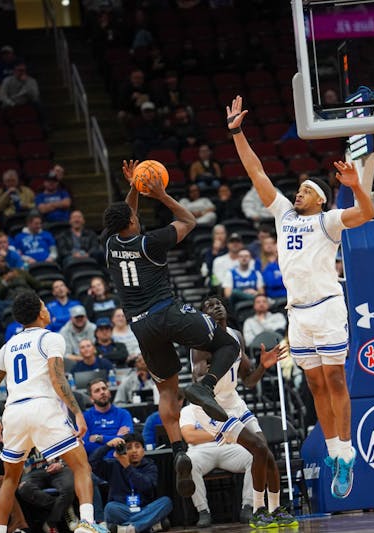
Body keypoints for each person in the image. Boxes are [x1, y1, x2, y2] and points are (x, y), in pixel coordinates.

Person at [227, 95, 374, 499]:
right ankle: (334, 453)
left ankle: (346, 452)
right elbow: (256, 172)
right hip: (298, 313)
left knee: (334, 380)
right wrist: (237, 132)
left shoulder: (328, 221)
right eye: (297, 190)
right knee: (314, 387)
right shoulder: (284, 215)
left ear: (320, 199)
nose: (298, 194)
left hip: (328, 307)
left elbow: (367, 214)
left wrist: (356, 187)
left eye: (305, 191)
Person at [102, 160, 246, 498]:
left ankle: (180, 450)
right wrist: (162, 195)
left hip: (141, 327)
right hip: (168, 312)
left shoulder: (109, 246)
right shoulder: (149, 243)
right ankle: (206, 387)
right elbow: (189, 220)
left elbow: (124, 216)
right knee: (228, 345)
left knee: (167, 391)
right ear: (133, 221)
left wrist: (135, 191)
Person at [0, 290, 107, 533]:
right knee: (81, 466)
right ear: (40, 312)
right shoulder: (50, 338)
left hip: (13, 412)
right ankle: (87, 524)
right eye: (44, 305)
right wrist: (78, 413)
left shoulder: (8, 347)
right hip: (42, 407)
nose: (48, 309)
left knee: (10, 479)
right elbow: (58, 379)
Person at [190, 297, 295, 527]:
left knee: (265, 452)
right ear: (203, 315)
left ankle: (275, 508)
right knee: (257, 447)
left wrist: (262, 366)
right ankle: (258, 510)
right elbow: (198, 379)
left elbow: (248, 381)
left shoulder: (236, 336)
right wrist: (217, 358)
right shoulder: (200, 340)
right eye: (209, 305)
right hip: (211, 407)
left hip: (234, 401)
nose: (216, 306)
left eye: (218, 303)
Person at [179, 403, 253, 527]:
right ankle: (203, 511)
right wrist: (221, 433)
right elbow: (190, 436)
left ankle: (248, 506)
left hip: (228, 448)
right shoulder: (188, 410)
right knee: (188, 463)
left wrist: (202, 433)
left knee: (254, 457)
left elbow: (236, 431)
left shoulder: (226, 404)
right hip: (200, 451)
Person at [88, 432, 172, 532]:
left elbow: (146, 486)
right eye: (128, 448)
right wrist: (108, 445)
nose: (134, 451)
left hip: (144, 508)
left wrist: (127, 466)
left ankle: (125, 529)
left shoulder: (150, 466)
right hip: (123, 509)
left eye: (137, 447)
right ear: (123, 451)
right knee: (110, 508)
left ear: (143, 451)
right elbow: (92, 462)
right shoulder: (114, 465)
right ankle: (148, 526)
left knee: (166, 502)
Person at [17, 448, 75, 533]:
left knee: (68, 488)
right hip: (31, 472)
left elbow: (72, 450)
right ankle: (65, 507)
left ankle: (50, 523)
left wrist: (61, 463)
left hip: (59, 467)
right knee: (24, 488)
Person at [83, 378, 133, 456]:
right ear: (91, 399)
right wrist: (116, 438)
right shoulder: (84, 417)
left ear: (109, 393)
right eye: (97, 390)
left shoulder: (123, 414)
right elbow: (85, 446)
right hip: (97, 461)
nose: (102, 392)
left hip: (120, 458)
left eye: (104, 389)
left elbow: (128, 439)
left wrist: (99, 438)